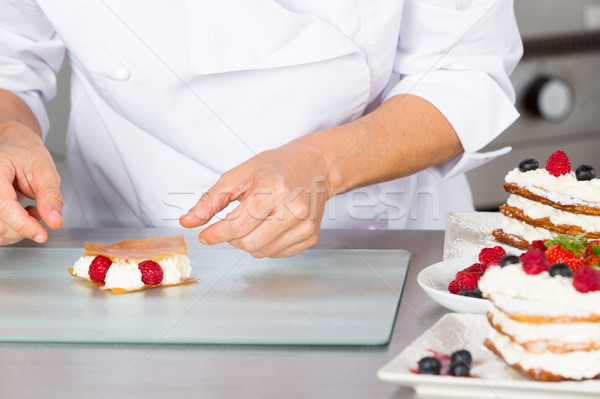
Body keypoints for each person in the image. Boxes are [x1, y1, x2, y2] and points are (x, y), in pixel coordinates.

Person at [0, 1, 522, 257]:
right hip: (119, 245)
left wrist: (322, 164)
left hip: (377, 247)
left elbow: (464, 73)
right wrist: (10, 135)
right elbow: (10, 59)